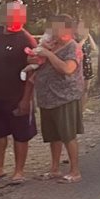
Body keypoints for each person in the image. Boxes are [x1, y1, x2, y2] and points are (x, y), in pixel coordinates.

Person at [0, 1, 37, 185]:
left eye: (17, 15)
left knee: (20, 134)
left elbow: (32, 72)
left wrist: (26, 100)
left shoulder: (26, 39)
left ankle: (19, 171)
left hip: (17, 95)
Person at [32, 15, 85, 183]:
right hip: (47, 98)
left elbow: (67, 69)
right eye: (53, 28)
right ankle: (54, 169)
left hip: (64, 97)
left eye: (59, 28)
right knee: (53, 136)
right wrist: (40, 50)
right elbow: (32, 59)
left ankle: (74, 171)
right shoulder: (51, 44)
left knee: (67, 135)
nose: (55, 32)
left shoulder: (72, 47)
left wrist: (48, 54)